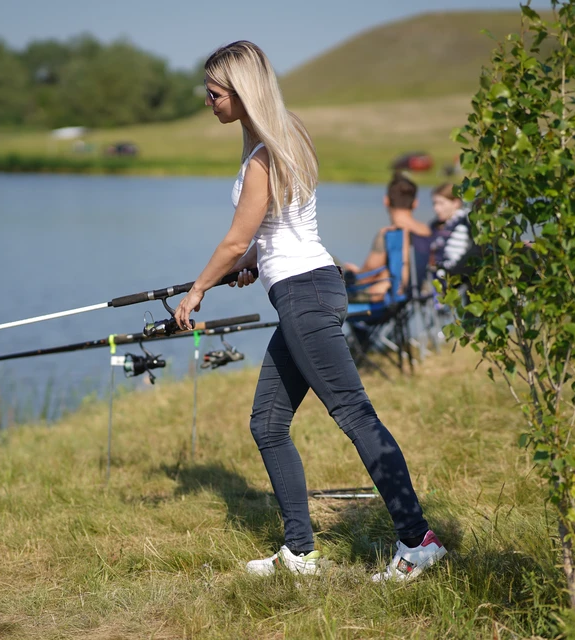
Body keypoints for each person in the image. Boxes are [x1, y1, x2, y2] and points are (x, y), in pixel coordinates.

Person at [173, 40, 446, 581]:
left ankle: (418, 541)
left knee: (353, 414)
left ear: (240, 93)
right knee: (268, 423)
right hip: (310, 285)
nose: (208, 102)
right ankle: (300, 553)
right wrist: (251, 264)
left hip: (304, 295)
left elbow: (235, 241)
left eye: (214, 93)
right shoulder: (286, 135)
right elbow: (268, 237)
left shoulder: (261, 158)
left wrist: (198, 289)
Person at [341, 171, 433, 302]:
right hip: (416, 291)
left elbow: (365, 277)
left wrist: (354, 273)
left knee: (334, 265)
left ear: (386, 201)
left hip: (383, 298)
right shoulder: (427, 231)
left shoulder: (389, 234)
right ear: (415, 203)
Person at [429, 183, 474, 283]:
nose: (436, 208)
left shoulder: (463, 224)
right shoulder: (439, 225)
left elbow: (457, 259)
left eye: (441, 203)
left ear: (456, 203)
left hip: (456, 281)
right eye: (434, 204)